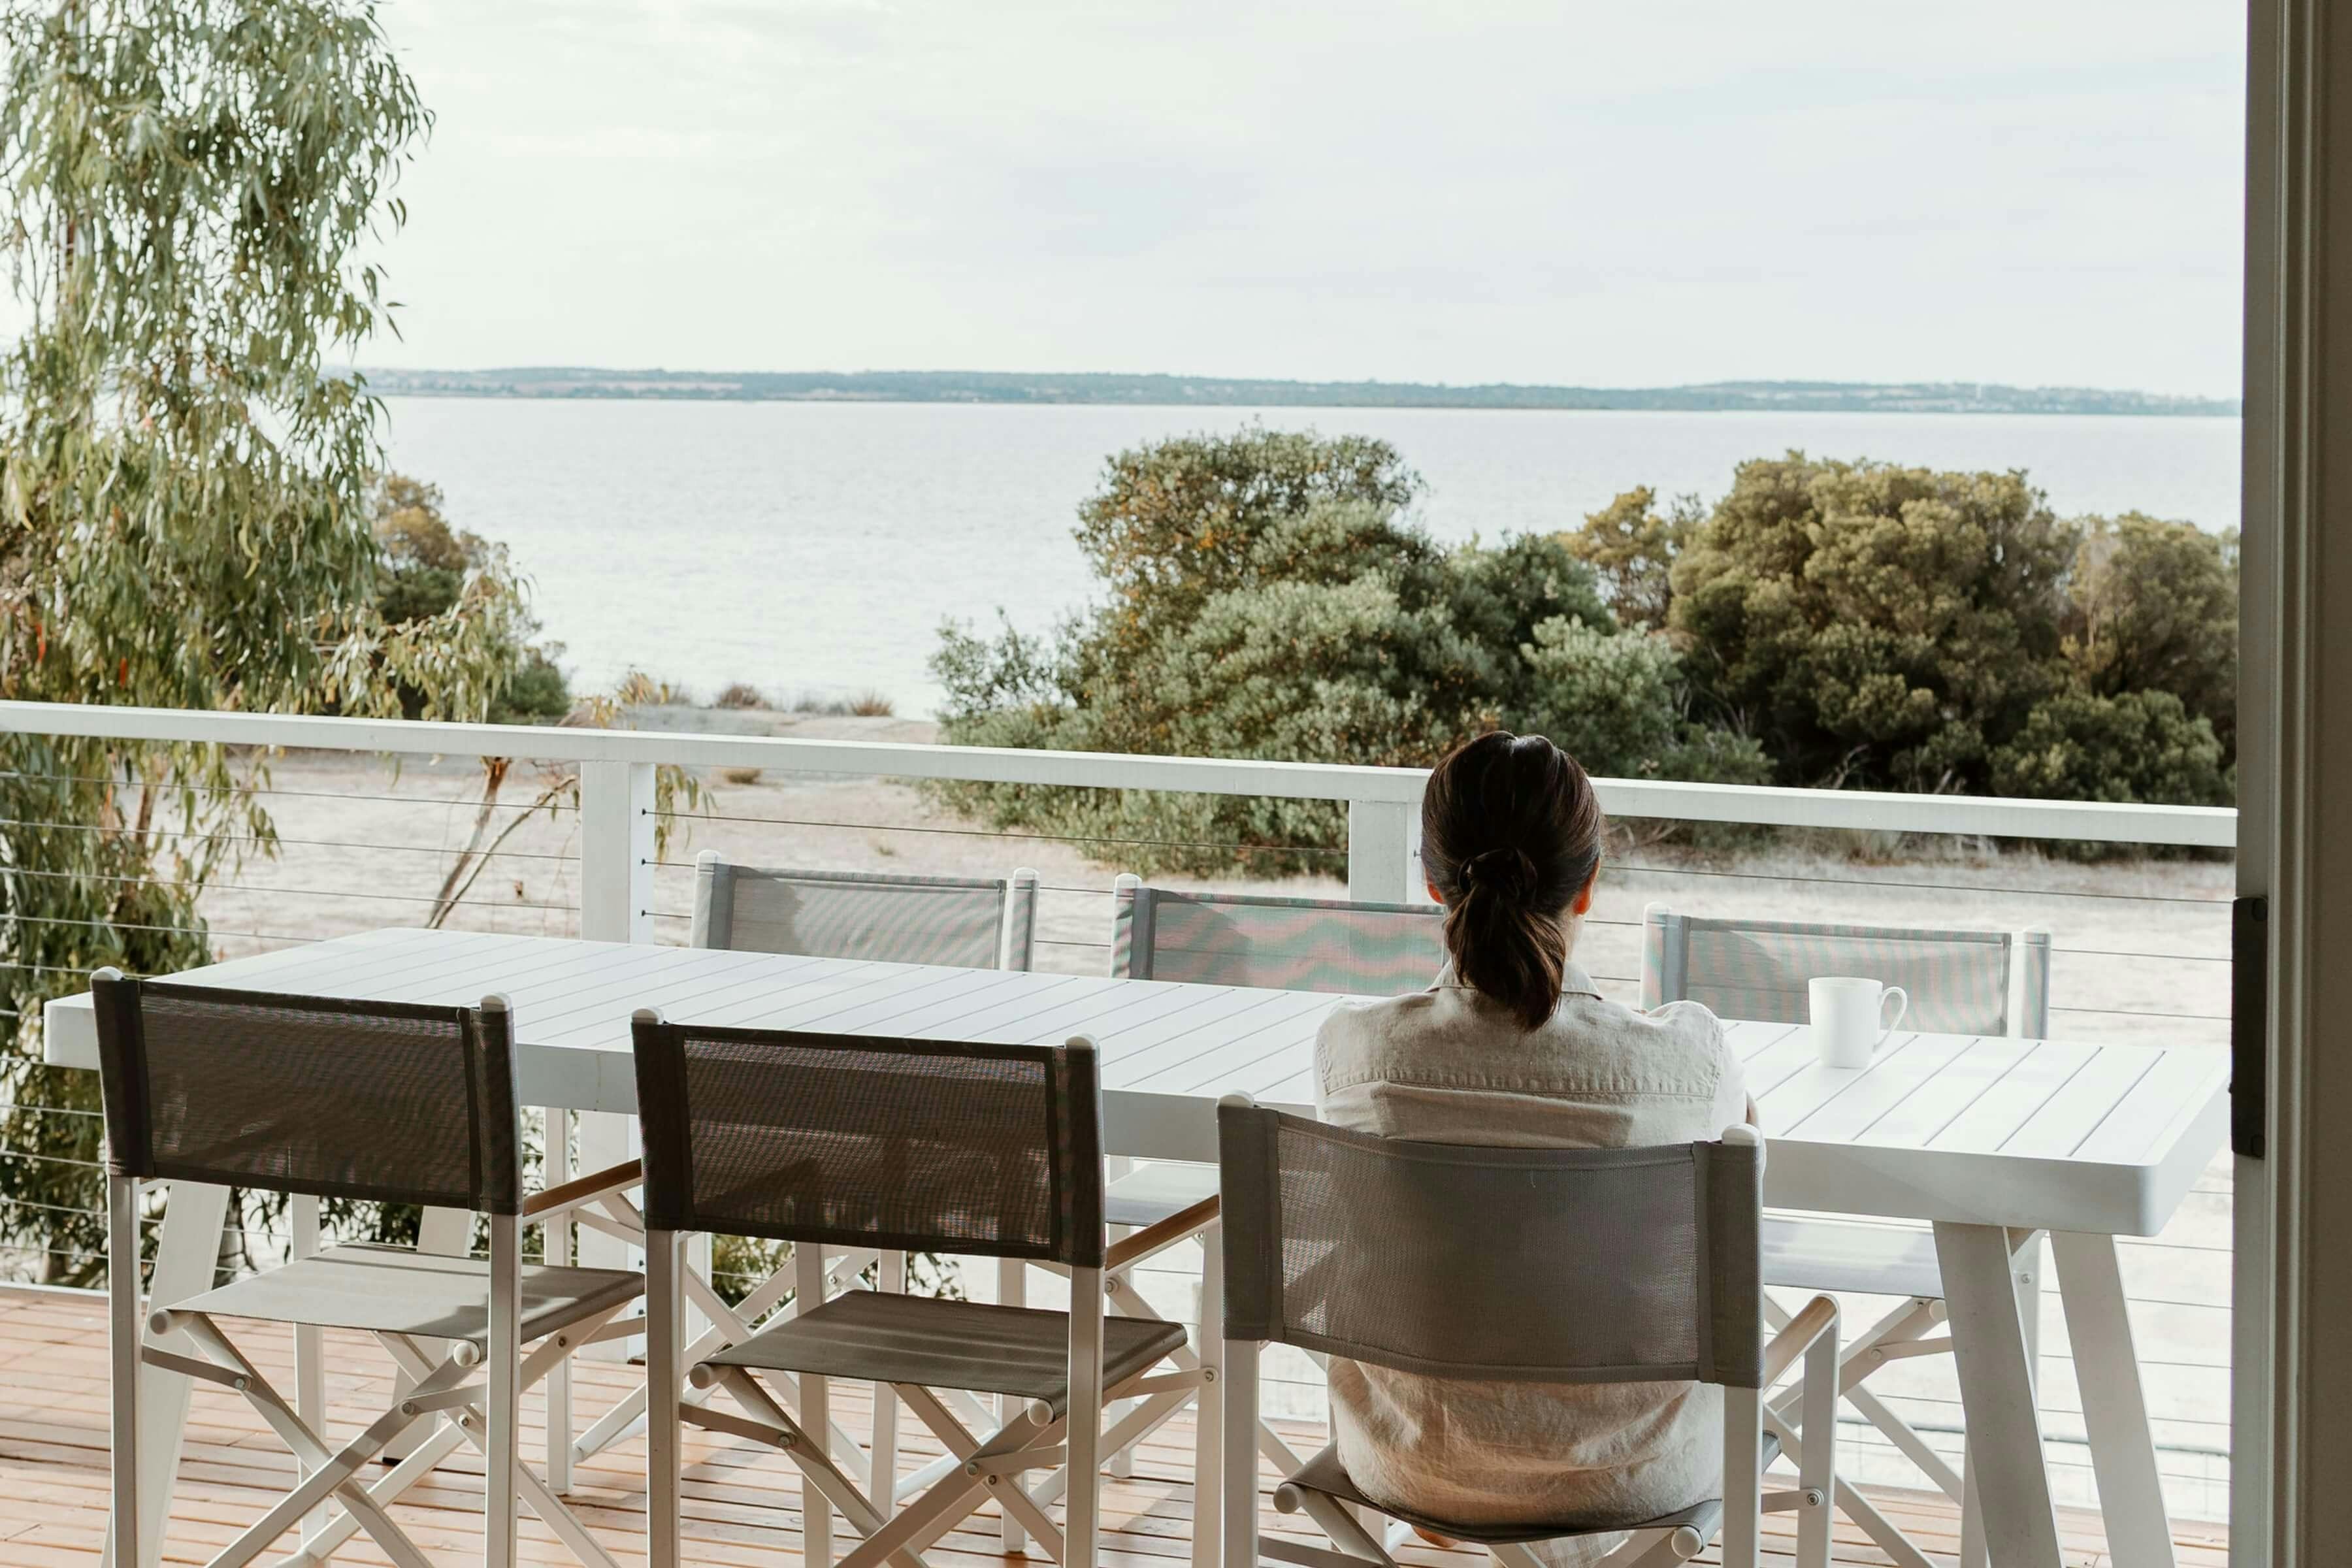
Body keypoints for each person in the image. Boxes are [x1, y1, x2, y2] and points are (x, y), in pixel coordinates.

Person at [1315, 730, 1754, 1565]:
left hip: (1409, 1463)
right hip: (1632, 1474)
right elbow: (1752, 1175)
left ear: (1433, 883)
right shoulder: (1684, 1058)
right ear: (1587, 888)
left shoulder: (1353, 1054)